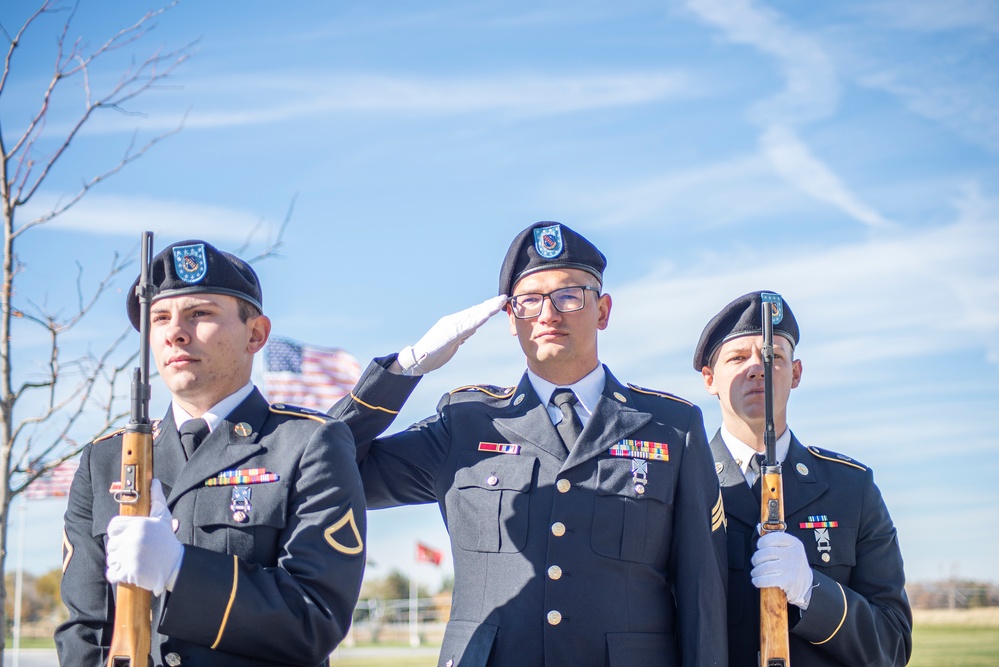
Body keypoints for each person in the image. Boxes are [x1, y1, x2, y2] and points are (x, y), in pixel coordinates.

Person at [329, 222, 728, 666]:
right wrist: (405, 368)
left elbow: (700, 593)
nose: (548, 314)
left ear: (603, 310)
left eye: (568, 295)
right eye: (529, 301)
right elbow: (322, 474)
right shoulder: (464, 424)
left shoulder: (670, 426)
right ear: (510, 319)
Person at [57, 240, 367, 667]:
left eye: (199, 314)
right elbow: (85, 629)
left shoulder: (308, 445)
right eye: (160, 318)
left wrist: (179, 569)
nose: (174, 333)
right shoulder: (105, 460)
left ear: (255, 333)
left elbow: (315, 619)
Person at [694, 290, 912, 666]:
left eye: (773, 356)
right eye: (737, 357)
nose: (757, 368)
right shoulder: (682, 483)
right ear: (710, 379)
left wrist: (812, 590)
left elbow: (891, 645)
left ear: (795, 374)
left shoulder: (851, 488)